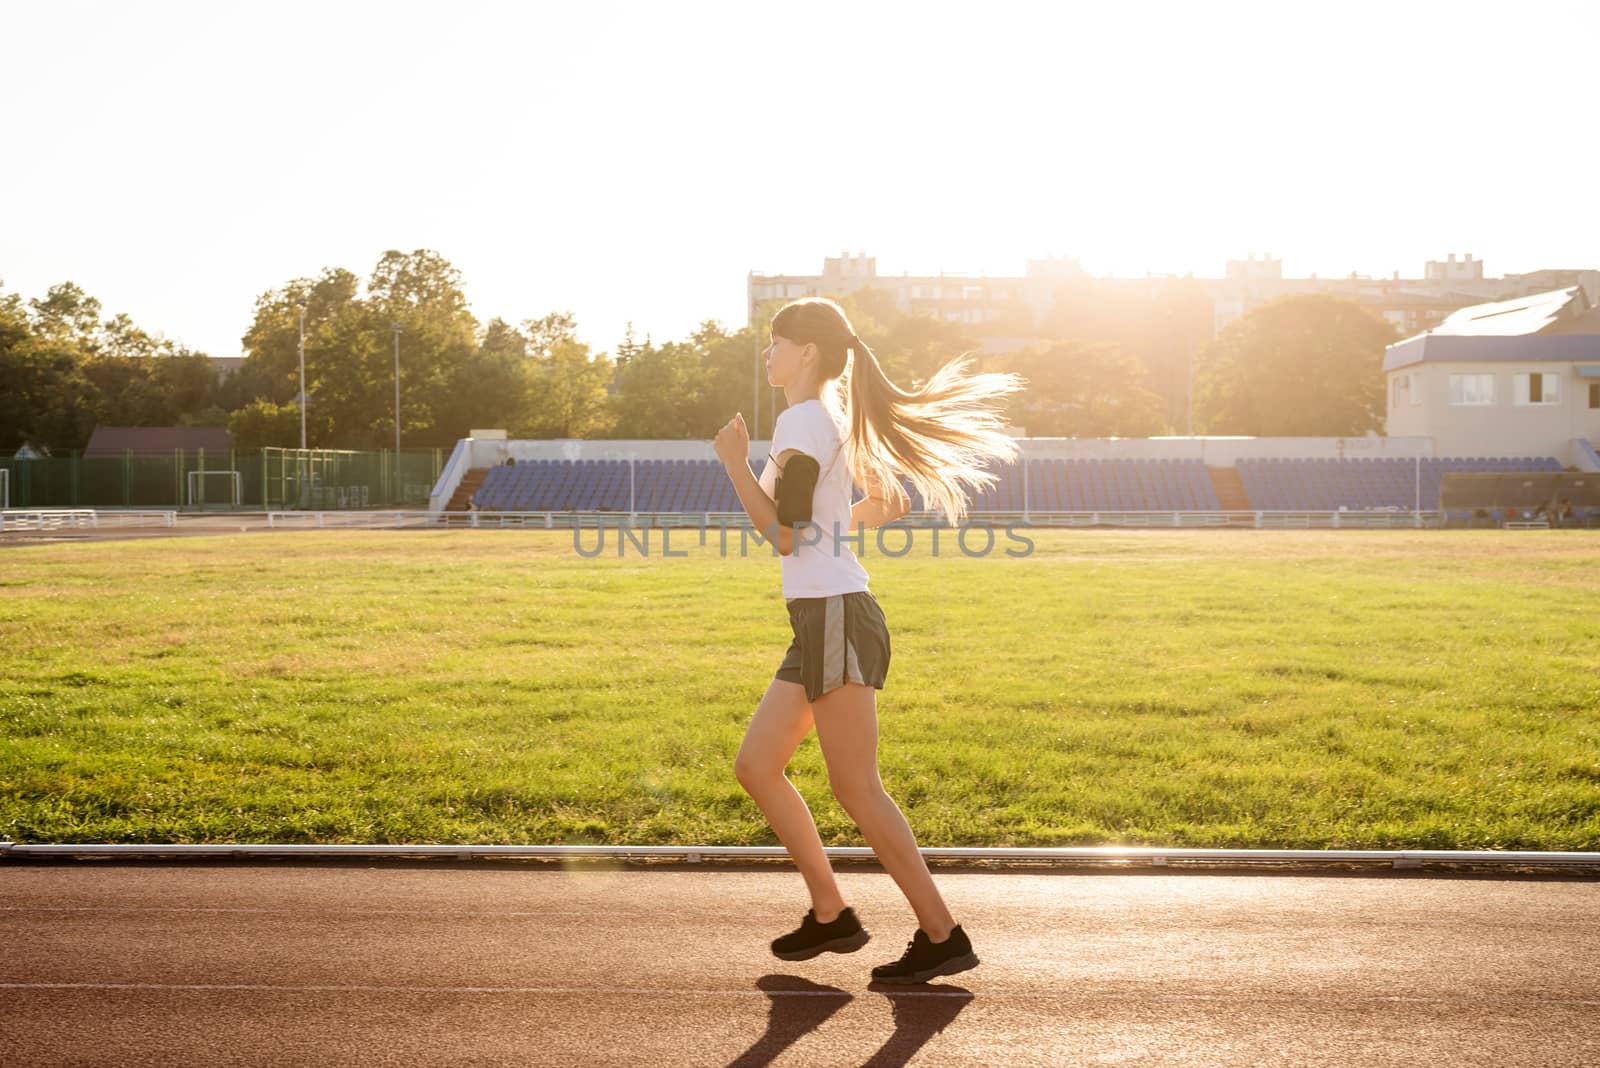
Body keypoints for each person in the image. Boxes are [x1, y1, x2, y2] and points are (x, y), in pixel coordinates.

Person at [712, 296, 1023, 984]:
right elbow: (888, 504)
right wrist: (830, 522)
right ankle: (832, 913)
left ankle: (941, 934)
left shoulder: (802, 418)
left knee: (857, 789)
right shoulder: (831, 418)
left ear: (807, 353)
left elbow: (785, 533)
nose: (767, 354)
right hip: (822, 620)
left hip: (835, 618)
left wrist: (733, 463)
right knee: (758, 766)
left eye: (775, 342)